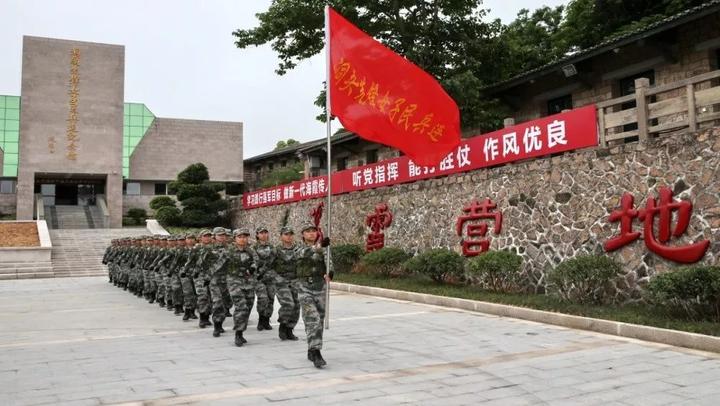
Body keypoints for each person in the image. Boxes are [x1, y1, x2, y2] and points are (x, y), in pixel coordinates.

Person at [213, 228, 258, 347]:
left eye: (245, 237)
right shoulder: (229, 251)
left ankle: (241, 331)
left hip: (248, 282)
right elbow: (218, 265)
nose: (243, 239)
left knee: (248, 306)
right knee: (241, 306)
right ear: (235, 238)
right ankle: (238, 333)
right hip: (234, 281)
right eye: (240, 237)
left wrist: (253, 267)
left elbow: (257, 262)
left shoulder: (251, 251)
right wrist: (208, 277)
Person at [295, 224, 332, 368]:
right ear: (303, 234)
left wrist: (330, 273)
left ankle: (311, 348)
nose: (311, 233)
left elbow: (329, 262)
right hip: (304, 287)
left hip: (320, 287)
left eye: (313, 231)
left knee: (319, 321)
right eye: (308, 231)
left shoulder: (325, 247)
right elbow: (301, 254)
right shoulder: (298, 248)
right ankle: (316, 352)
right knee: (313, 319)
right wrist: (319, 246)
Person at [274, 226, 300, 341]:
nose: (289, 236)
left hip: (295, 281)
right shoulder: (276, 250)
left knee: (296, 306)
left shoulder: (298, 249)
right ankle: (283, 325)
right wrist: (277, 279)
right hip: (281, 282)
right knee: (288, 304)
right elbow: (269, 266)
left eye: (290, 234)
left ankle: (290, 329)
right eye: (286, 234)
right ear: (281, 236)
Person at [253, 226, 276, 331]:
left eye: (265, 232)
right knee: (263, 298)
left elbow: (275, 260)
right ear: (257, 235)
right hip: (259, 278)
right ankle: (261, 319)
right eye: (261, 233)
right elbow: (254, 261)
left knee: (270, 299)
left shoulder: (272, 247)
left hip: (271, 277)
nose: (264, 235)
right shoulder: (254, 247)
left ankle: (266, 320)